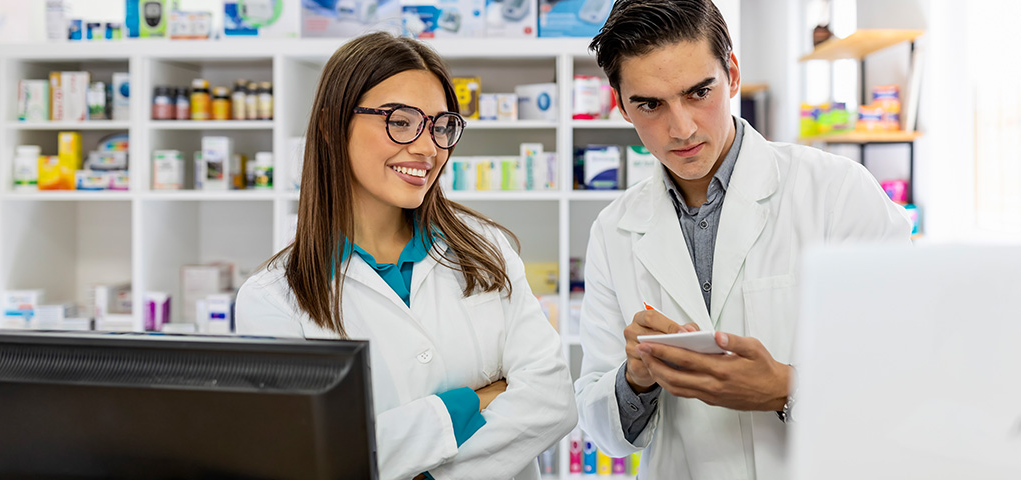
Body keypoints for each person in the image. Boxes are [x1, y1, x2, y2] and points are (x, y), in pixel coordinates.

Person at [573, 1, 913, 478]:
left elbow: (908, 371)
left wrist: (785, 389)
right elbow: (603, 430)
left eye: (699, 92)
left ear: (731, 74)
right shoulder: (614, 230)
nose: (682, 128)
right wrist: (636, 378)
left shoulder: (837, 192)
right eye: (650, 104)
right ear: (621, 106)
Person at [235, 32, 577, 480]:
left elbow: (552, 401)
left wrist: (420, 470)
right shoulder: (274, 298)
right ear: (331, 125)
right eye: (400, 121)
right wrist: (473, 400)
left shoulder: (486, 250)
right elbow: (305, 458)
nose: (428, 148)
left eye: (440, 126)